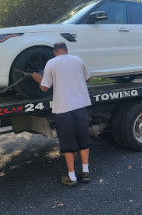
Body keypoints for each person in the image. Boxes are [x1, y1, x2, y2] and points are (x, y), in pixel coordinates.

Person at [32, 42, 92, 187]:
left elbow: (45, 88)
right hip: (81, 105)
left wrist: (38, 79)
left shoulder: (51, 63)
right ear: (66, 50)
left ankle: (72, 177)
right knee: (84, 140)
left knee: (68, 143)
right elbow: (88, 78)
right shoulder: (78, 60)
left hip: (63, 109)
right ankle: (85, 172)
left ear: (54, 52)